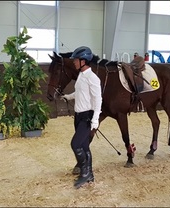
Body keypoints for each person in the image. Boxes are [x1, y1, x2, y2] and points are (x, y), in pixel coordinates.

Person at [61, 46, 102, 189]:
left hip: (87, 117)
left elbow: (98, 100)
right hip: (78, 116)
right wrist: (68, 97)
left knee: (75, 144)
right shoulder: (81, 76)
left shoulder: (93, 78)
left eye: (76, 60)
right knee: (84, 146)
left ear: (83, 61)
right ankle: (89, 174)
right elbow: (79, 93)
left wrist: (95, 119)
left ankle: (84, 174)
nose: (74, 62)